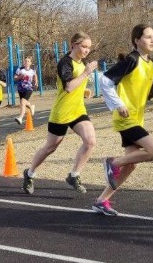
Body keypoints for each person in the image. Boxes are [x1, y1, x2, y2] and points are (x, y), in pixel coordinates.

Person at [92, 24, 153, 216]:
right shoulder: (131, 60)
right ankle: (113, 163)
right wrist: (118, 104)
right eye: (148, 37)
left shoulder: (151, 65)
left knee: (130, 165)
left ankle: (101, 200)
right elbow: (105, 80)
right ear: (137, 40)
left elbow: (150, 93)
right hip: (125, 118)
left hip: (136, 119)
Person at [22, 32, 98, 195]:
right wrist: (86, 73)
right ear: (73, 44)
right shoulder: (65, 63)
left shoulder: (81, 62)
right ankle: (29, 173)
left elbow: (77, 85)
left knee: (90, 141)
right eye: (83, 46)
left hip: (78, 110)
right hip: (61, 112)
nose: (86, 50)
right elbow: (68, 87)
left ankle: (74, 175)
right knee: (50, 147)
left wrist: (84, 90)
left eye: (89, 48)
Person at [14, 57, 38, 125]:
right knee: (23, 103)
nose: (26, 62)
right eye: (25, 61)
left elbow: (35, 76)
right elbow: (15, 78)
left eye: (28, 61)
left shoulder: (32, 71)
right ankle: (31, 106)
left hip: (29, 88)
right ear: (23, 63)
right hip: (21, 89)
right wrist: (20, 77)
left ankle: (20, 118)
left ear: (30, 63)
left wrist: (36, 82)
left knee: (22, 101)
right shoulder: (20, 69)